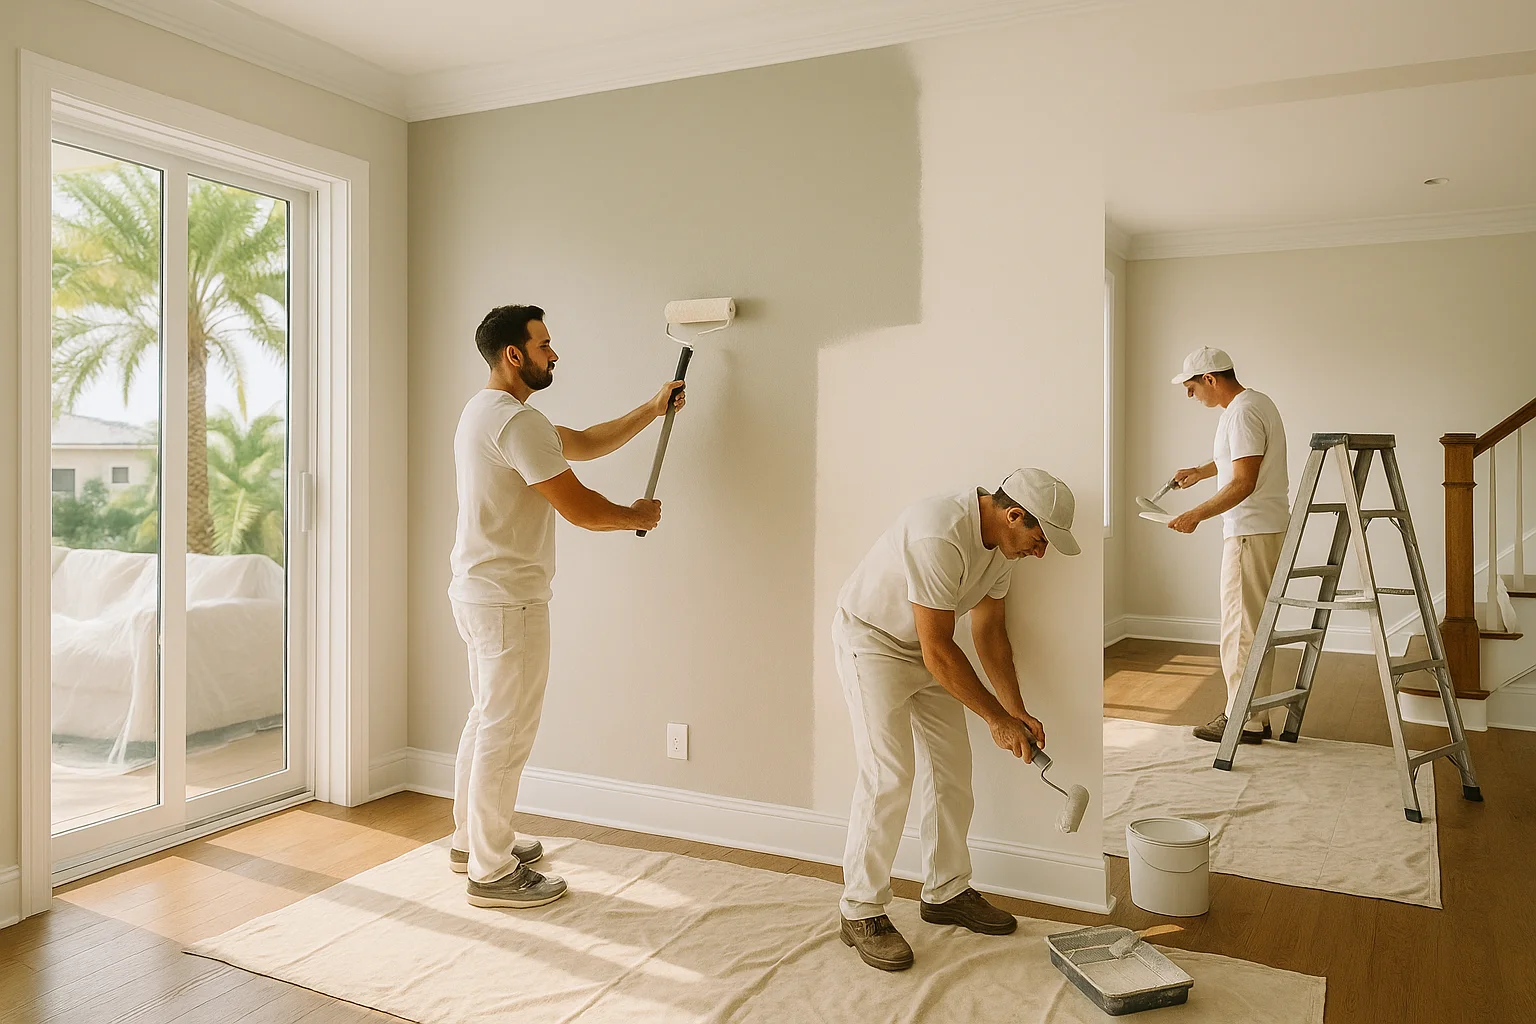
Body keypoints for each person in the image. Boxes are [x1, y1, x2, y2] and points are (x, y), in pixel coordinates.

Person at [448, 304, 685, 909]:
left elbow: (577, 444)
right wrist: (634, 515)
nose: (554, 354)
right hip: (509, 601)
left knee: (486, 720)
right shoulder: (514, 423)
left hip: (481, 591)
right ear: (514, 355)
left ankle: (470, 841)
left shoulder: (490, 413)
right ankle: (493, 871)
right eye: (545, 344)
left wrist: (650, 408)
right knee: (508, 731)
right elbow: (576, 505)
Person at [833, 468, 1081, 972]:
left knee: (952, 773)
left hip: (928, 653)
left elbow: (989, 633)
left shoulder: (1001, 551)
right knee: (889, 775)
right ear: (1013, 514)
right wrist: (995, 719)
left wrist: (1014, 710)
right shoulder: (938, 531)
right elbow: (938, 647)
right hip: (873, 643)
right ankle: (860, 909)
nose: (1041, 552)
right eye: (1039, 537)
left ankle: (945, 892)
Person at [1163, 346, 1291, 745]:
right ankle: (1256, 713)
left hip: (1249, 532)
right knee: (1254, 625)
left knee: (1240, 628)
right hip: (1266, 528)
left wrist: (1194, 515)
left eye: (1191, 388)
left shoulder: (1241, 412)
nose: (1191, 397)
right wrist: (1202, 472)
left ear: (1210, 380)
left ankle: (1243, 719)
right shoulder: (1256, 404)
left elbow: (1243, 481)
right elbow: (1240, 461)